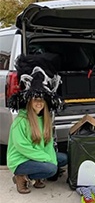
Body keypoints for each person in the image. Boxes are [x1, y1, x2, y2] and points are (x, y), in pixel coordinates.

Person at [7, 61, 67, 194]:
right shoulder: (21, 121)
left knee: (62, 159)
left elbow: (48, 143)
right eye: (35, 99)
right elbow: (22, 147)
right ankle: (22, 177)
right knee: (51, 168)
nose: (39, 102)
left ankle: (39, 174)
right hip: (21, 160)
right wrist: (46, 159)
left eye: (41, 100)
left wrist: (49, 158)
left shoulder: (44, 120)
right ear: (29, 102)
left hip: (35, 156)